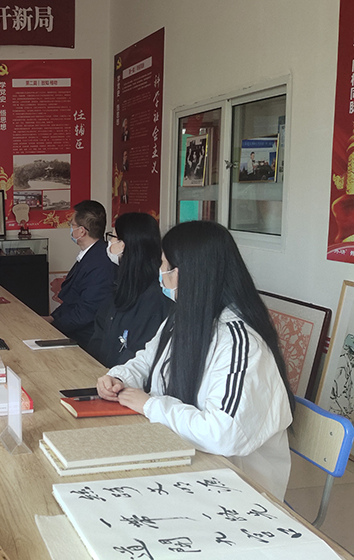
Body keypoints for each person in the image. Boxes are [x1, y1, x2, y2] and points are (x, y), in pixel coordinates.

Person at [97, 221, 294, 498]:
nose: (160, 273)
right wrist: (119, 378)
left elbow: (223, 433)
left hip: (235, 487)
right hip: (180, 456)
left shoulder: (241, 344)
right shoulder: (184, 316)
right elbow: (148, 359)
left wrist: (151, 405)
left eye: (164, 265)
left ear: (186, 273)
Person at [86, 213, 173, 368]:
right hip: (102, 371)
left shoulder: (154, 295)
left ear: (124, 244)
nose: (109, 243)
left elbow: (138, 351)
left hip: (124, 377)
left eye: (113, 237)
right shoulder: (122, 281)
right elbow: (100, 330)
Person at [47, 200, 117, 349]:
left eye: (72, 225)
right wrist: (51, 318)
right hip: (75, 330)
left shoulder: (101, 263)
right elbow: (72, 301)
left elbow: (86, 312)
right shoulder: (91, 254)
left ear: (81, 231)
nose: (70, 229)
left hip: (86, 340)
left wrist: (53, 327)